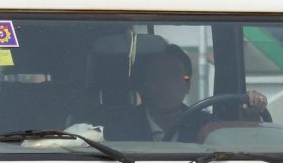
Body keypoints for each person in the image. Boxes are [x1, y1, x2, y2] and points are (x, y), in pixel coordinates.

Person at [104, 43, 268, 142]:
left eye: (174, 75)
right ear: (142, 86)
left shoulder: (207, 125)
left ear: (187, 85)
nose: (167, 84)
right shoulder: (120, 128)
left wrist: (252, 115)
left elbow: (241, 149)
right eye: (157, 76)